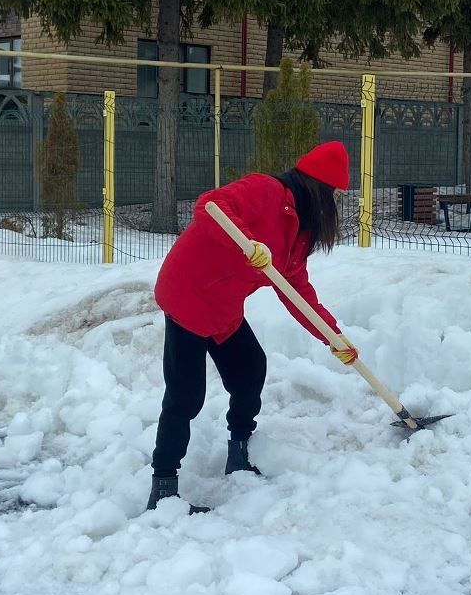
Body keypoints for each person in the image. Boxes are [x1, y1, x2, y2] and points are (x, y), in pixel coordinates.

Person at [148, 141, 360, 513]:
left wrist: (332, 336)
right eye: (331, 196)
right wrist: (244, 239)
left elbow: (297, 292)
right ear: (316, 189)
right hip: (188, 293)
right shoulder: (266, 191)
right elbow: (209, 207)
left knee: (250, 370)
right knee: (186, 393)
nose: (333, 205)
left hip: (223, 305)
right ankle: (163, 486)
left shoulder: (299, 235)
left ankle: (240, 450)